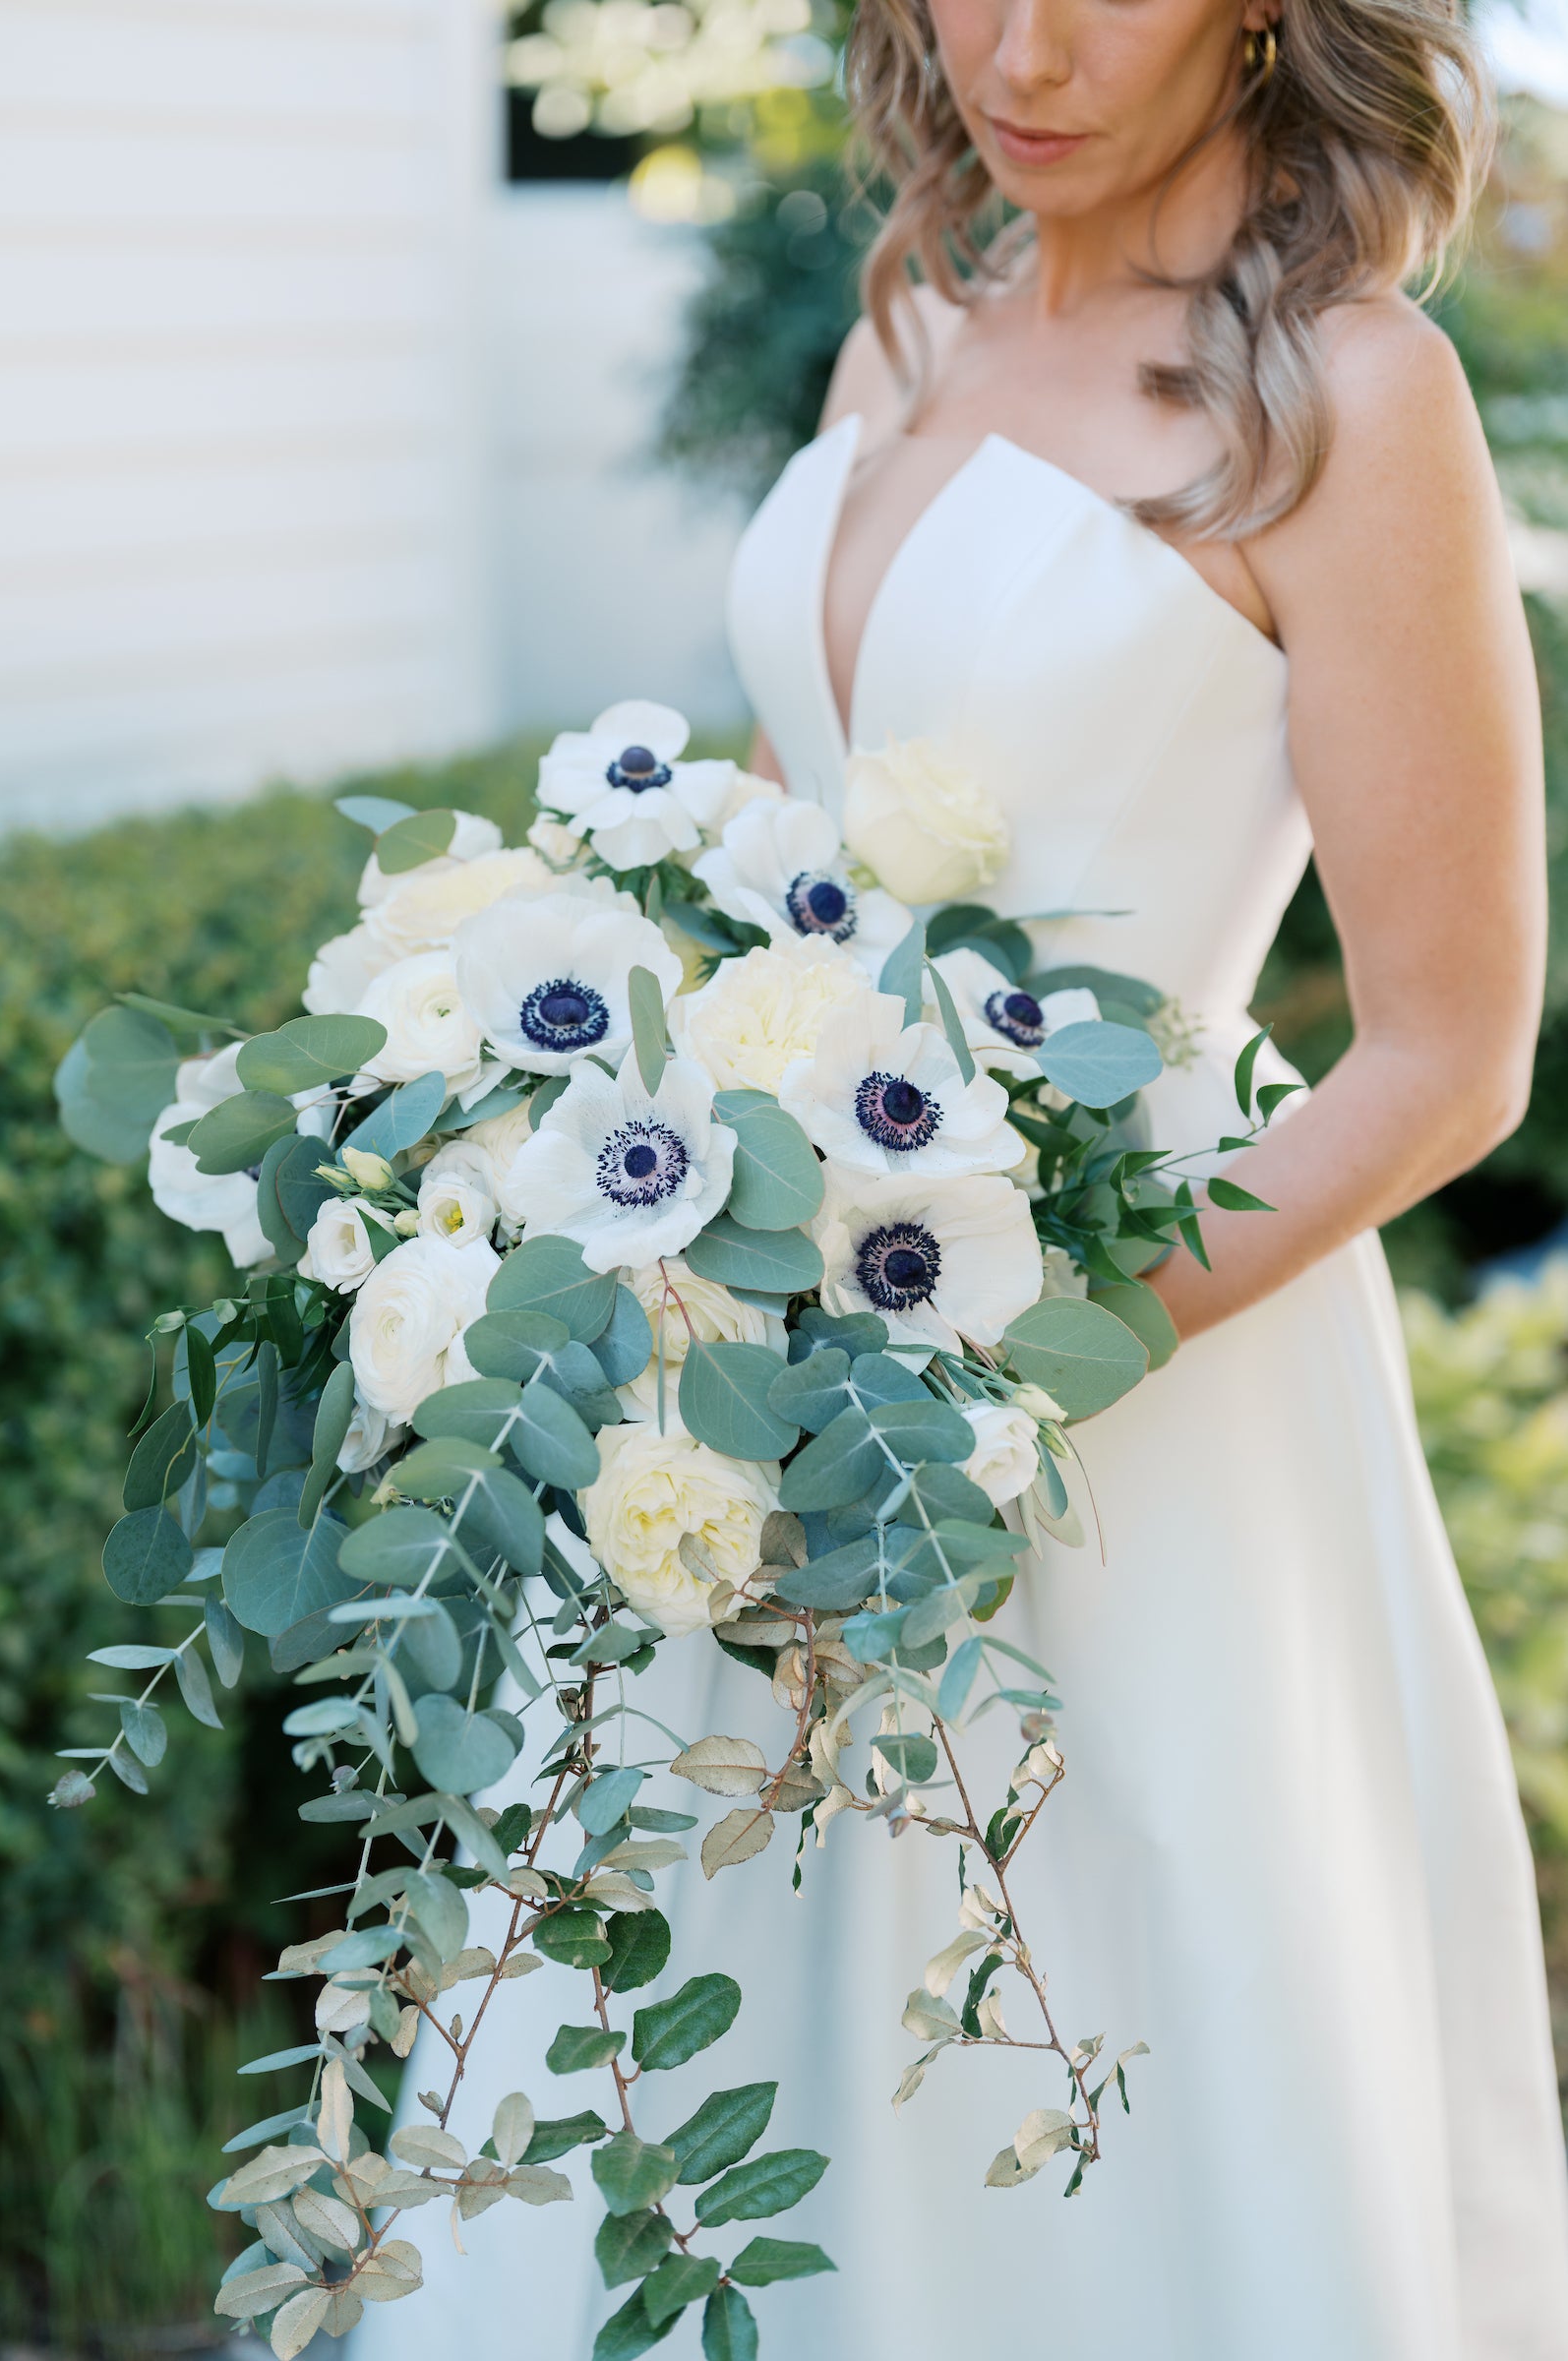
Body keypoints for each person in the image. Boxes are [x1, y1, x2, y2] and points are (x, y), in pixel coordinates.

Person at [380, 2, 1568, 2351]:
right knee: (708, 2064)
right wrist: (590, 1188)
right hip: (752, 1396)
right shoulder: (911, 318)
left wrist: (968, 1391)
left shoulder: (1340, 395)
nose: (1013, 47)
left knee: (1097, 2117)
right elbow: (779, 867)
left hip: (1133, 1404)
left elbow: (1445, 1057)